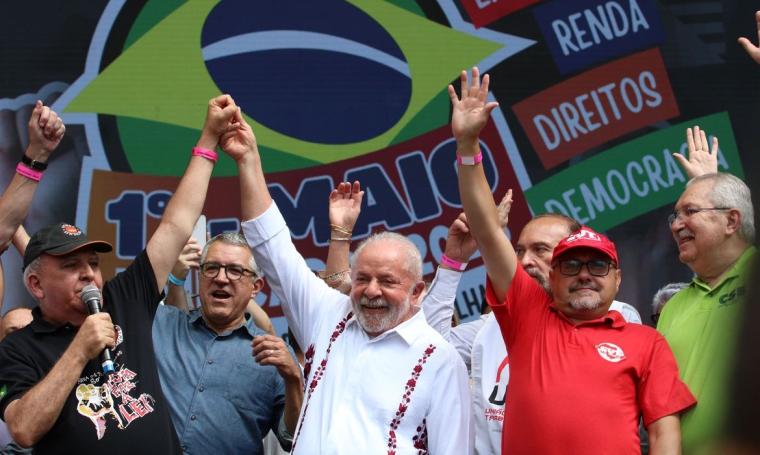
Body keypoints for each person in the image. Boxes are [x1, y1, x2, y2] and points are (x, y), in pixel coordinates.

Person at [452, 67, 696, 454]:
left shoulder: (646, 341)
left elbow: (664, 433)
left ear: (618, 279)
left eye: (597, 266)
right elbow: (485, 228)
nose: (584, 275)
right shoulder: (527, 317)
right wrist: (467, 145)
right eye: (570, 265)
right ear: (554, 275)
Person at [0, 95, 242, 453]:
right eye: (71, 266)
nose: (88, 275)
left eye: (93, 264)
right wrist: (80, 349)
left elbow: (176, 223)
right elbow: (23, 428)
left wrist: (208, 139)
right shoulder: (19, 346)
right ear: (35, 284)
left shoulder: (123, 299)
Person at [232, 105, 472, 453]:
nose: (371, 291)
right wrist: (248, 160)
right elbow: (273, 249)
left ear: (417, 291)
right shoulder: (329, 313)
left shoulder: (440, 359)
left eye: (387, 281)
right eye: (362, 278)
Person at [153, 232, 302, 454]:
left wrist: (293, 380)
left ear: (256, 287)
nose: (221, 278)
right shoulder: (162, 325)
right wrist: (173, 277)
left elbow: (291, 440)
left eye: (235, 271)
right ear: (200, 275)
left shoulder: (273, 355)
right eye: (211, 267)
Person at [658, 163, 755, 453]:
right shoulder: (673, 306)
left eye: (690, 212)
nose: (676, 224)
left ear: (731, 221)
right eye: (675, 216)